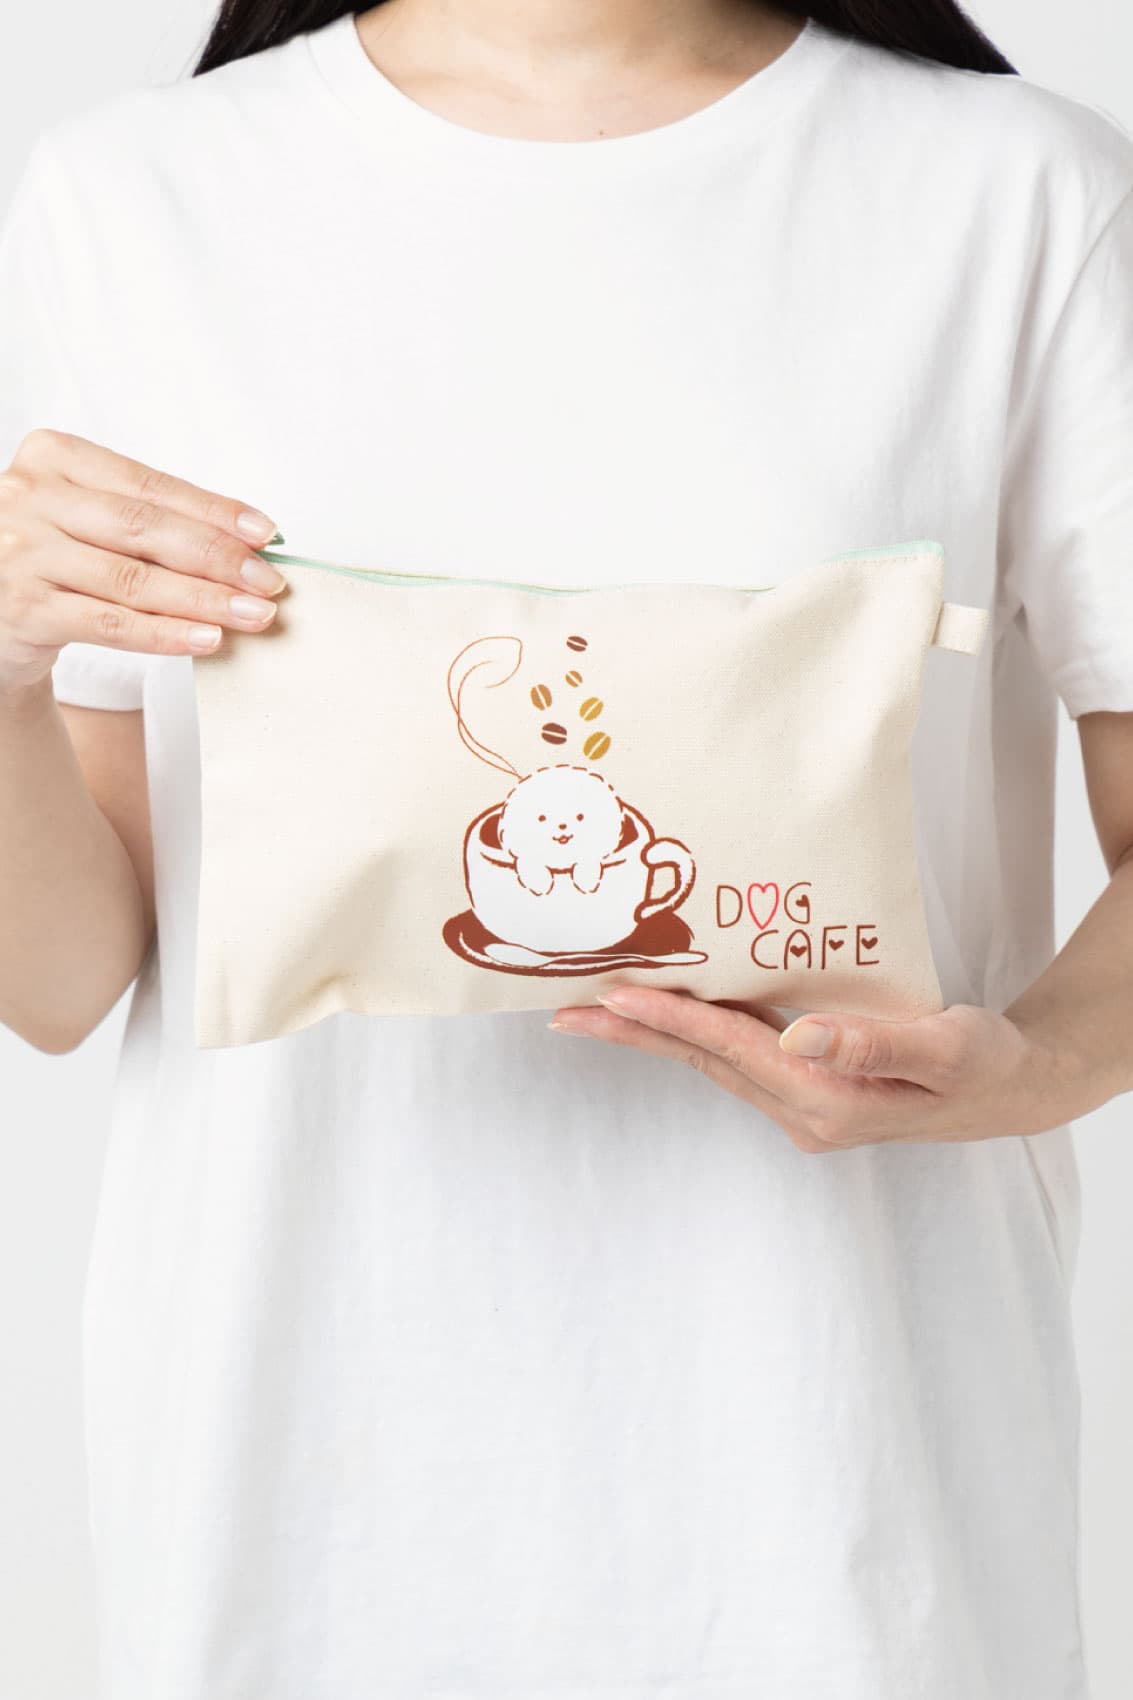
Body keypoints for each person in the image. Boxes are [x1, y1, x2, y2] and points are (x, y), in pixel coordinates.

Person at [1, 1, 1132, 1694]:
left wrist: (1031, 1069)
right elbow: (66, 979)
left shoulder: (1011, 189)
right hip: (285, 1493)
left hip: (851, 1499)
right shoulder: (134, 198)